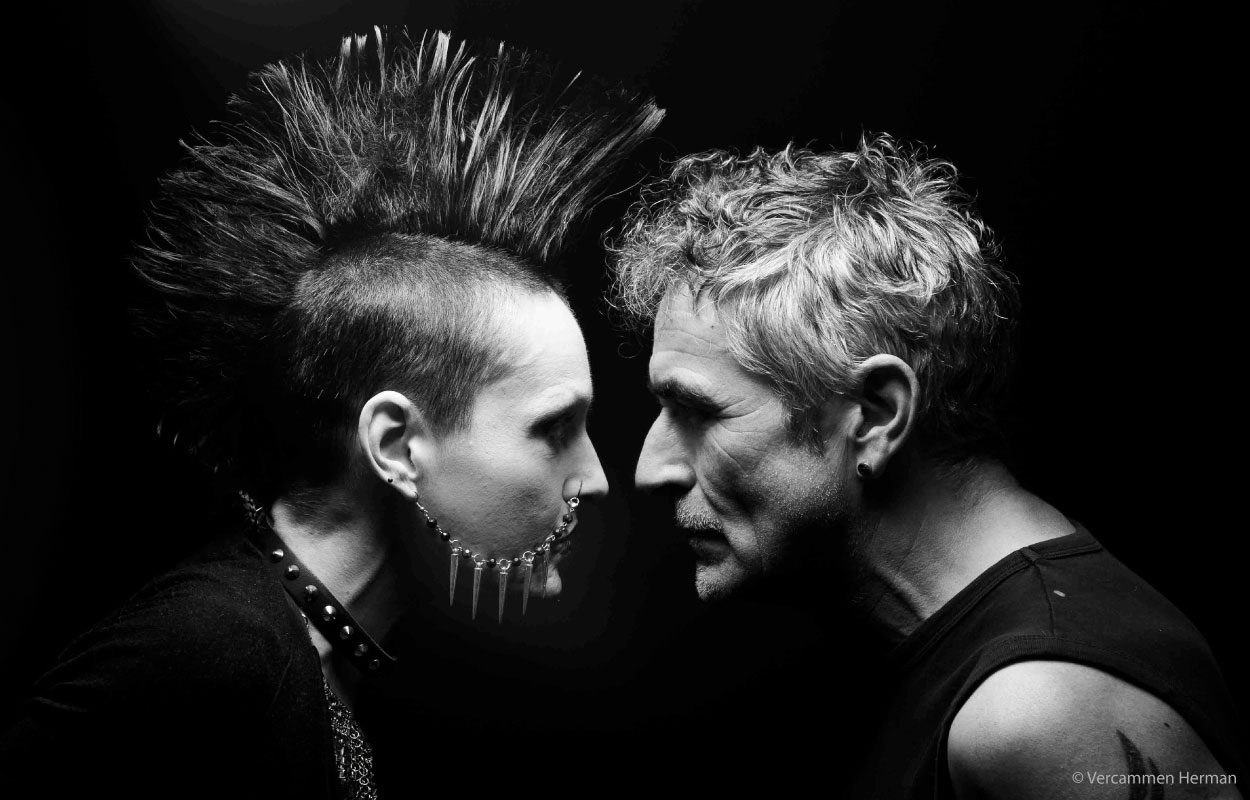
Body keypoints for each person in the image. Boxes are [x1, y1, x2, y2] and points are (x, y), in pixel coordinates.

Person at [0, 28, 661, 798]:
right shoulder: (207, 650)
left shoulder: (317, 655)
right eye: (553, 430)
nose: (596, 479)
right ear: (396, 444)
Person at [610, 136, 1245, 798]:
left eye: (699, 412)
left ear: (877, 414)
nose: (650, 469)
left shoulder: (1042, 710)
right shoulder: (934, 649)